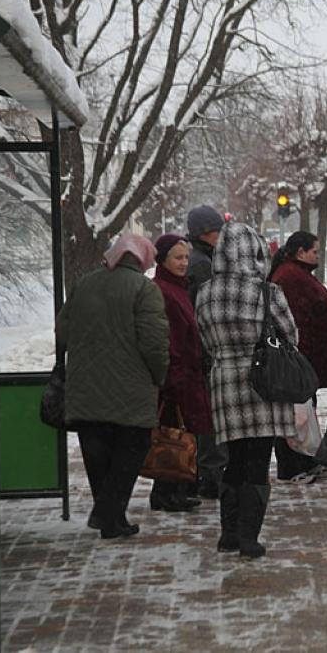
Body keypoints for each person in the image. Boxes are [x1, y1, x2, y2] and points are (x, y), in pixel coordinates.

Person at [55, 233, 170, 539]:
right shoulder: (145, 290)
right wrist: (159, 375)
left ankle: (111, 519)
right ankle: (107, 513)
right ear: (142, 260)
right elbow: (154, 343)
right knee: (131, 450)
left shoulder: (85, 284)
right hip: (130, 388)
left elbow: (62, 332)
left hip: (86, 387)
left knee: (97, 454)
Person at [196, 222, 299, 558]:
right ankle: (248, 537)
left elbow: (204, 340)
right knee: (258, 461)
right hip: (262, 384)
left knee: (235, 460)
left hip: (224, 382)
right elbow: (290, 338)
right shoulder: (267, 292)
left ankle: (228, 533)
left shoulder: (205, 292)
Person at [268, 231, 327, 484]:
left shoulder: (294, 274)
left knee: (304, 411)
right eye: (315, 252)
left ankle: (306, 460)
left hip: (304, 358)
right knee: (295, 413)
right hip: (299, 358)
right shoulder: (290, 277)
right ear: (301, 253)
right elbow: (296, 320)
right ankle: (294, 465)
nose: (318, 256)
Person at [149, 234, 213, 512]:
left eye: (186, 257)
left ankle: (173, 488)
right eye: (177, 257)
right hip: (178, 377)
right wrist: (175, 377)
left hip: (187, 374)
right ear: (163, 259)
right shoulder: (163, 290)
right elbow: (170, 337)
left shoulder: (176, 288)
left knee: (179, 434)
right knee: (173, 434)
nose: (184, 262)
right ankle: (167, 491)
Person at [186, 204, 227, 499]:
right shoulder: (201, 264)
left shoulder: (201, 259)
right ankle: (210, 478)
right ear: (205, 233)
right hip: (205, 353)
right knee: (210, 422)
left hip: (200, 352)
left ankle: (206, 475)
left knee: (206, 420)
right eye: (217, 231)